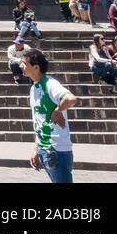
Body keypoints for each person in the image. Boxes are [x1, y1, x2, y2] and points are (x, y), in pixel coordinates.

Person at [21, 48, 77, 183]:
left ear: (35, 67)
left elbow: (71, 98)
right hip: (45, 148)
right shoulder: (34, 87)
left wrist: (57, 111)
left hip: (57, 151)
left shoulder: (50, 84)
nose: (21, 66)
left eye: (24, 63)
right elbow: (39, 122)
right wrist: (36, 149)